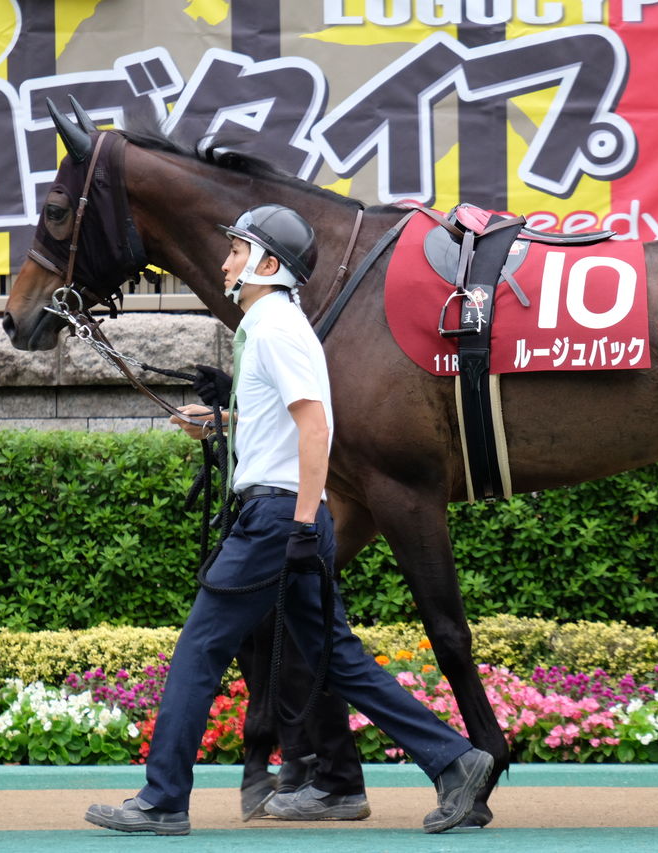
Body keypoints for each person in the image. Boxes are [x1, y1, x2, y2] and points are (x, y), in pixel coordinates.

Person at [84, 203, 493, 836]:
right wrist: (224, 425)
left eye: (238, 250)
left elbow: (315, 426)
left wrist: (303, 524)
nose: (225, 261)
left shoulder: (274, 326)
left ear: (270, 264)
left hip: (276, 522)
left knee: (198, 650)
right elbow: (287, 422)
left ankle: (163, 798)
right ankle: (457, 761)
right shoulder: (271, 325)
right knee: (337, 658)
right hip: (285, 516)